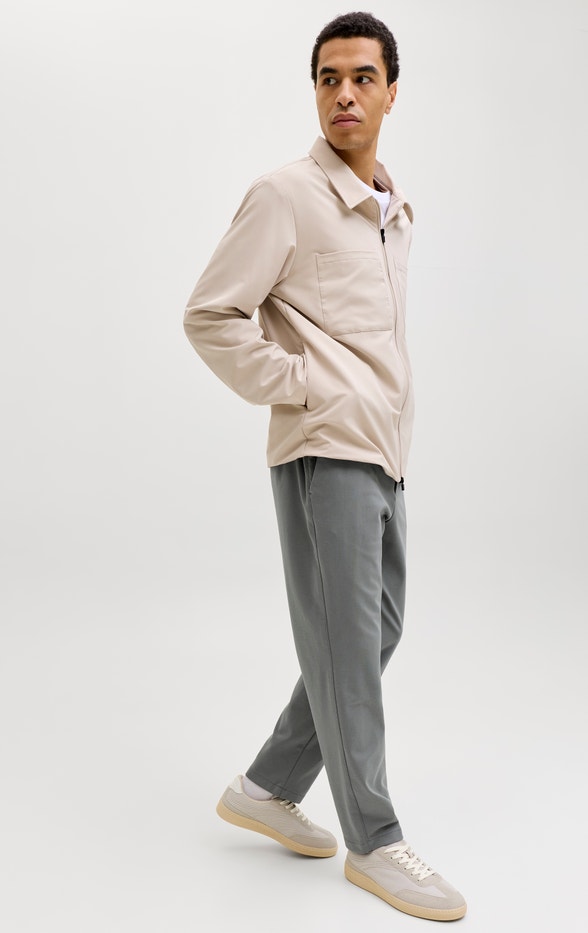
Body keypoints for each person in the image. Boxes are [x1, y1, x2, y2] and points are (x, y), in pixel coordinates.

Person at [184, 11, 466, 923]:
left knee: (374, 631)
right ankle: (374, 841)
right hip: (326, 446)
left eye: (361, 77)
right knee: (349, 644)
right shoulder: (285, 195)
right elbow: (211, 314)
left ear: (391, 92)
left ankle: (267, 786)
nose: (344, 94)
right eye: (328, 78)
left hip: (383, 448)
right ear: (316, 92)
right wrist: (302, 386)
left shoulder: (393, 210)